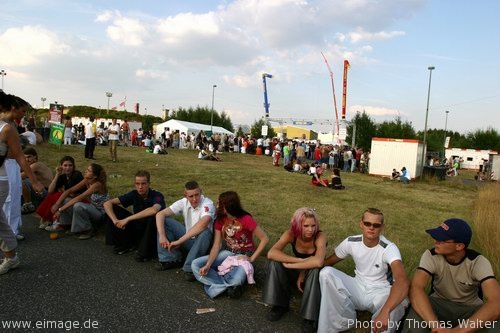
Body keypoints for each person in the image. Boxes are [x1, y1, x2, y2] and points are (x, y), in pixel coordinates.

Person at [318, 208, 409, 333]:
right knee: (326, 273)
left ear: (382, 227)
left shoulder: (389, 248)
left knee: (399, 301)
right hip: (358, 287)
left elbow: (402, 281)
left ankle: (380, 326)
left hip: (380, 293)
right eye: (367, 223)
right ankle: (342, 321)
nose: (371, 228)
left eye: (376, 225)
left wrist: (385, 311)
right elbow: (327, 262)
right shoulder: (351, 242)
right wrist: (303, 270)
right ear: (361, 224)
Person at [401, 218, 499, 333]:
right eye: (436, 237)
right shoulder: (431, 255)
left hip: (470, 310)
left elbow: (496, 301)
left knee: (495, 326)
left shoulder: (478, 262)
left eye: (442, 240)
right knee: (414, 321)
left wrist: (457, 331)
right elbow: (416, 288)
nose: (436, 242)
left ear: (459, 246)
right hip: (438, 305)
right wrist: (435, 326)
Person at [192, 191, 269, 299]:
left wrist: (251, 259)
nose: (216, 205)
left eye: (219, 203)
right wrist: (208, 265)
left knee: (237, 279)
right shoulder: (220, 220)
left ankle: (219, 284)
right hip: (227, 253)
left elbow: (265, 239)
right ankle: (229, 286)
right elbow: (216, 245)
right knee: (195, 264)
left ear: (228, 205)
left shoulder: (246, 219)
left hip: (243, 256)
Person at [262, 207, 327, 333]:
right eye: (306, 226)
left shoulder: (320, 236)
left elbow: (318, 262)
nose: (310, 230)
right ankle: (280, 305)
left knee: (314, 270)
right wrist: (300, 261)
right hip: (298, 269)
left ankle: (309, 318)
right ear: (298, 225)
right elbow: (271, 253)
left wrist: (293, 266)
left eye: (313, 226)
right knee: (274, 263)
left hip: (312, 276)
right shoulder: (291, 234)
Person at [0, 92, 44, 274]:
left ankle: (11, 257)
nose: (23, 115)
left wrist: (34, 181)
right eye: (22, 111)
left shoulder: (9, 129)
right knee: (1, 220)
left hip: (1, 179)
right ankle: (11, 256)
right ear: (12, 108)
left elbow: (19, 156)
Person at [155, 181, 215, 280]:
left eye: (197, 194)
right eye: (191, 196)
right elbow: (160, 214)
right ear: (185, 195)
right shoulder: (183, 202)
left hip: (203, 243)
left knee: (205, 231)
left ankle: (190, 268)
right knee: (165, 221)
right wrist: (162, 235)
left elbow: (203, 223)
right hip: (188, 238)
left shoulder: (208, 203)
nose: (195, 199)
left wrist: (180, 240)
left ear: (201, 191)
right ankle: (170, 259)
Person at [104, 170, 166, 261]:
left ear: (149, 184)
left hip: (151, 230)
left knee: (153, 217)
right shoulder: (133, 194)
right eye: (137, 183)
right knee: (114, 209)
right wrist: (115, 220)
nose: (140, 187)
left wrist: (127, 219)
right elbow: (107, 203)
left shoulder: (157, 195)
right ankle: (124, 244)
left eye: (143, 184)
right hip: (137, 226)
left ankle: (145, 252)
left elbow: (153, 210)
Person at [48, 163, 109, 240]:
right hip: (92, 208)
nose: (85, 171)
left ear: (95, 176)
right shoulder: (87, 180)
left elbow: (79, 198)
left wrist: (60, 210)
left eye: (89, 170)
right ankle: (68, 225)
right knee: (66, 200)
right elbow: (69, 190)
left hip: (100, 214)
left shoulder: (97, 184)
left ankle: (87, 230)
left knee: (78, 205)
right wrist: (57, 204)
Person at [35, 156, 84, 229]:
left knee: (58, 196)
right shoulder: (63, 177)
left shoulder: (77, 174)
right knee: (53, 195)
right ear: (61, 166)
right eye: (65, 165)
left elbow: (70, 192)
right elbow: (50, 190)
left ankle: (53, 221)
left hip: (80, 199)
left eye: (70, 165)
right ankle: (48, 219)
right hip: (71, 198)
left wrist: (63, 193)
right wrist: (57, 174)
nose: (68, 168)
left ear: (74, 166)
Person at [20, 147, 53, 214]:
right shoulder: (31, 165)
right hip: (39, 191)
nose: (27, 159)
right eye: (25, 157)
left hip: (45, 192)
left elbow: (20, 176)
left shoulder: (36, 165)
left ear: (35, 157)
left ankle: (28, 205)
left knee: (22, 181)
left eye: (29, 157)